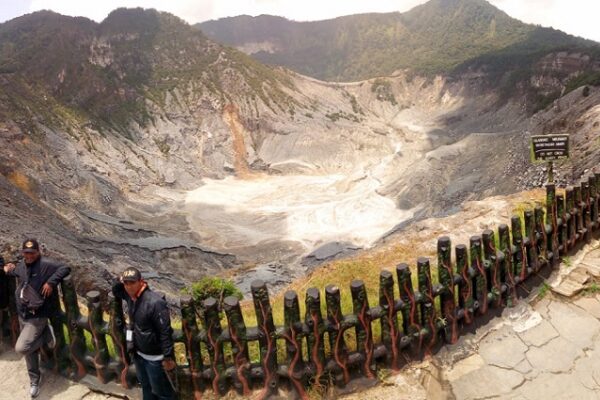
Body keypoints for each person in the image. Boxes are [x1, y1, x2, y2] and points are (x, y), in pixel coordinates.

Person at [1, 238, 70, 398]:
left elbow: (65, 267)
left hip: (37, 317)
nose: (29, 255)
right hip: (23, 315)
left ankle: (46, 336)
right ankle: (34, 380)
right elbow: (12, 271)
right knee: (29, 351)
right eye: (26, 252)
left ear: (38, 252)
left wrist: (51, 282)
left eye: (32, 252)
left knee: (22, 347)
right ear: (23, 253)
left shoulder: (45, 264)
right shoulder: (22, 266)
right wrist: (6, 268)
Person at [112, 267, 177, 400]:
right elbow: (116, 290)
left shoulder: (155, 303)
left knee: (162, 392)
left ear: (141, 282)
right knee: (146, 387)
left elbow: (165, 332)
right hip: (139, 355)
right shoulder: (130, 297)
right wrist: (119, 279)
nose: (129, 287)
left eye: (132, 282)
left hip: (155, 359)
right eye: (126, 283)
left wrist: (168, 357)